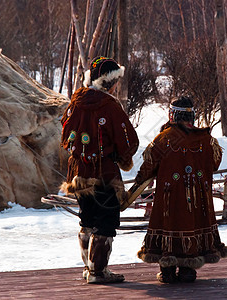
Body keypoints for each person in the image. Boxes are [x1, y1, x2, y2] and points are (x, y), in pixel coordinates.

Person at [133, 96, 227, 283]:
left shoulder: (163, 139)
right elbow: (215, 164)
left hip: (170, 198)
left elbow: (148, 166)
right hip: (197, 199)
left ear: (172, 115)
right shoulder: (207, 139)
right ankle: (188, 271)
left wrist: (138, 181)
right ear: (191, 116)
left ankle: (167, 272)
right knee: (192, 224)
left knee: (169, 225)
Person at [59, 56, 139, 284]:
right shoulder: (110, 106)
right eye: (116, 81)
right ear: (109, 82)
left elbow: (65, 135)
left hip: (78, 174)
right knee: (106, 221)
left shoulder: (76, 101)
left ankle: (89, 268)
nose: (117, 86)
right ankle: (98, 272)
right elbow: (128, 140)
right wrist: (123, 158)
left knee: (87, 219)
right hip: (104, 174)